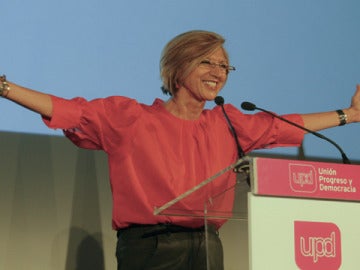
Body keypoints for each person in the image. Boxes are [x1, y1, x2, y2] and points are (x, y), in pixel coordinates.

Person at [1, 30, 359, 270]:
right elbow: (68, 109)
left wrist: (350, 115)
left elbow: (285, 124)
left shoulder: (228, 122)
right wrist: (5, 88)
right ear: (178, 65)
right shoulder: (129, 117)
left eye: (224, 65)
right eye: (207, 62)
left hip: (207, 247)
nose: (218, 72)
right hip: (151, 249)